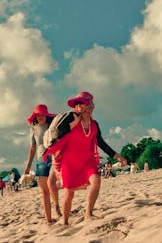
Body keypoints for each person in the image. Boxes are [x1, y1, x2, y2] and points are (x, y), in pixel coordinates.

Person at [44, 91, 126, 225]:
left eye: (88, 106)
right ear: (76, 108)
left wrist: (118, 157)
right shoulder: (71, 122)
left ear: (92, 107)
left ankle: (88, 213)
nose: (86, 109)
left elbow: (101, 143)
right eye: (82, 106)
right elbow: (56, 134)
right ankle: (64, 221)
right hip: (69, 164)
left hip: (88, 161)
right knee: (69, 194)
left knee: (96, 181)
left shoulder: (94, 125)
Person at [24, 104, 59, 224]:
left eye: (42, 114)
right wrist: (28, 167)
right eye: (38, 115)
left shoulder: (52, 126)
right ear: (35, 116)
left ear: (46, 115)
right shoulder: (33, 129)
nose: (40, 116)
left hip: (54, 159)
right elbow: (32, 148)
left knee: (52, 185)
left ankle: (57, 206)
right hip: (41, 162)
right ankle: (49, 219)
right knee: (44, 192)